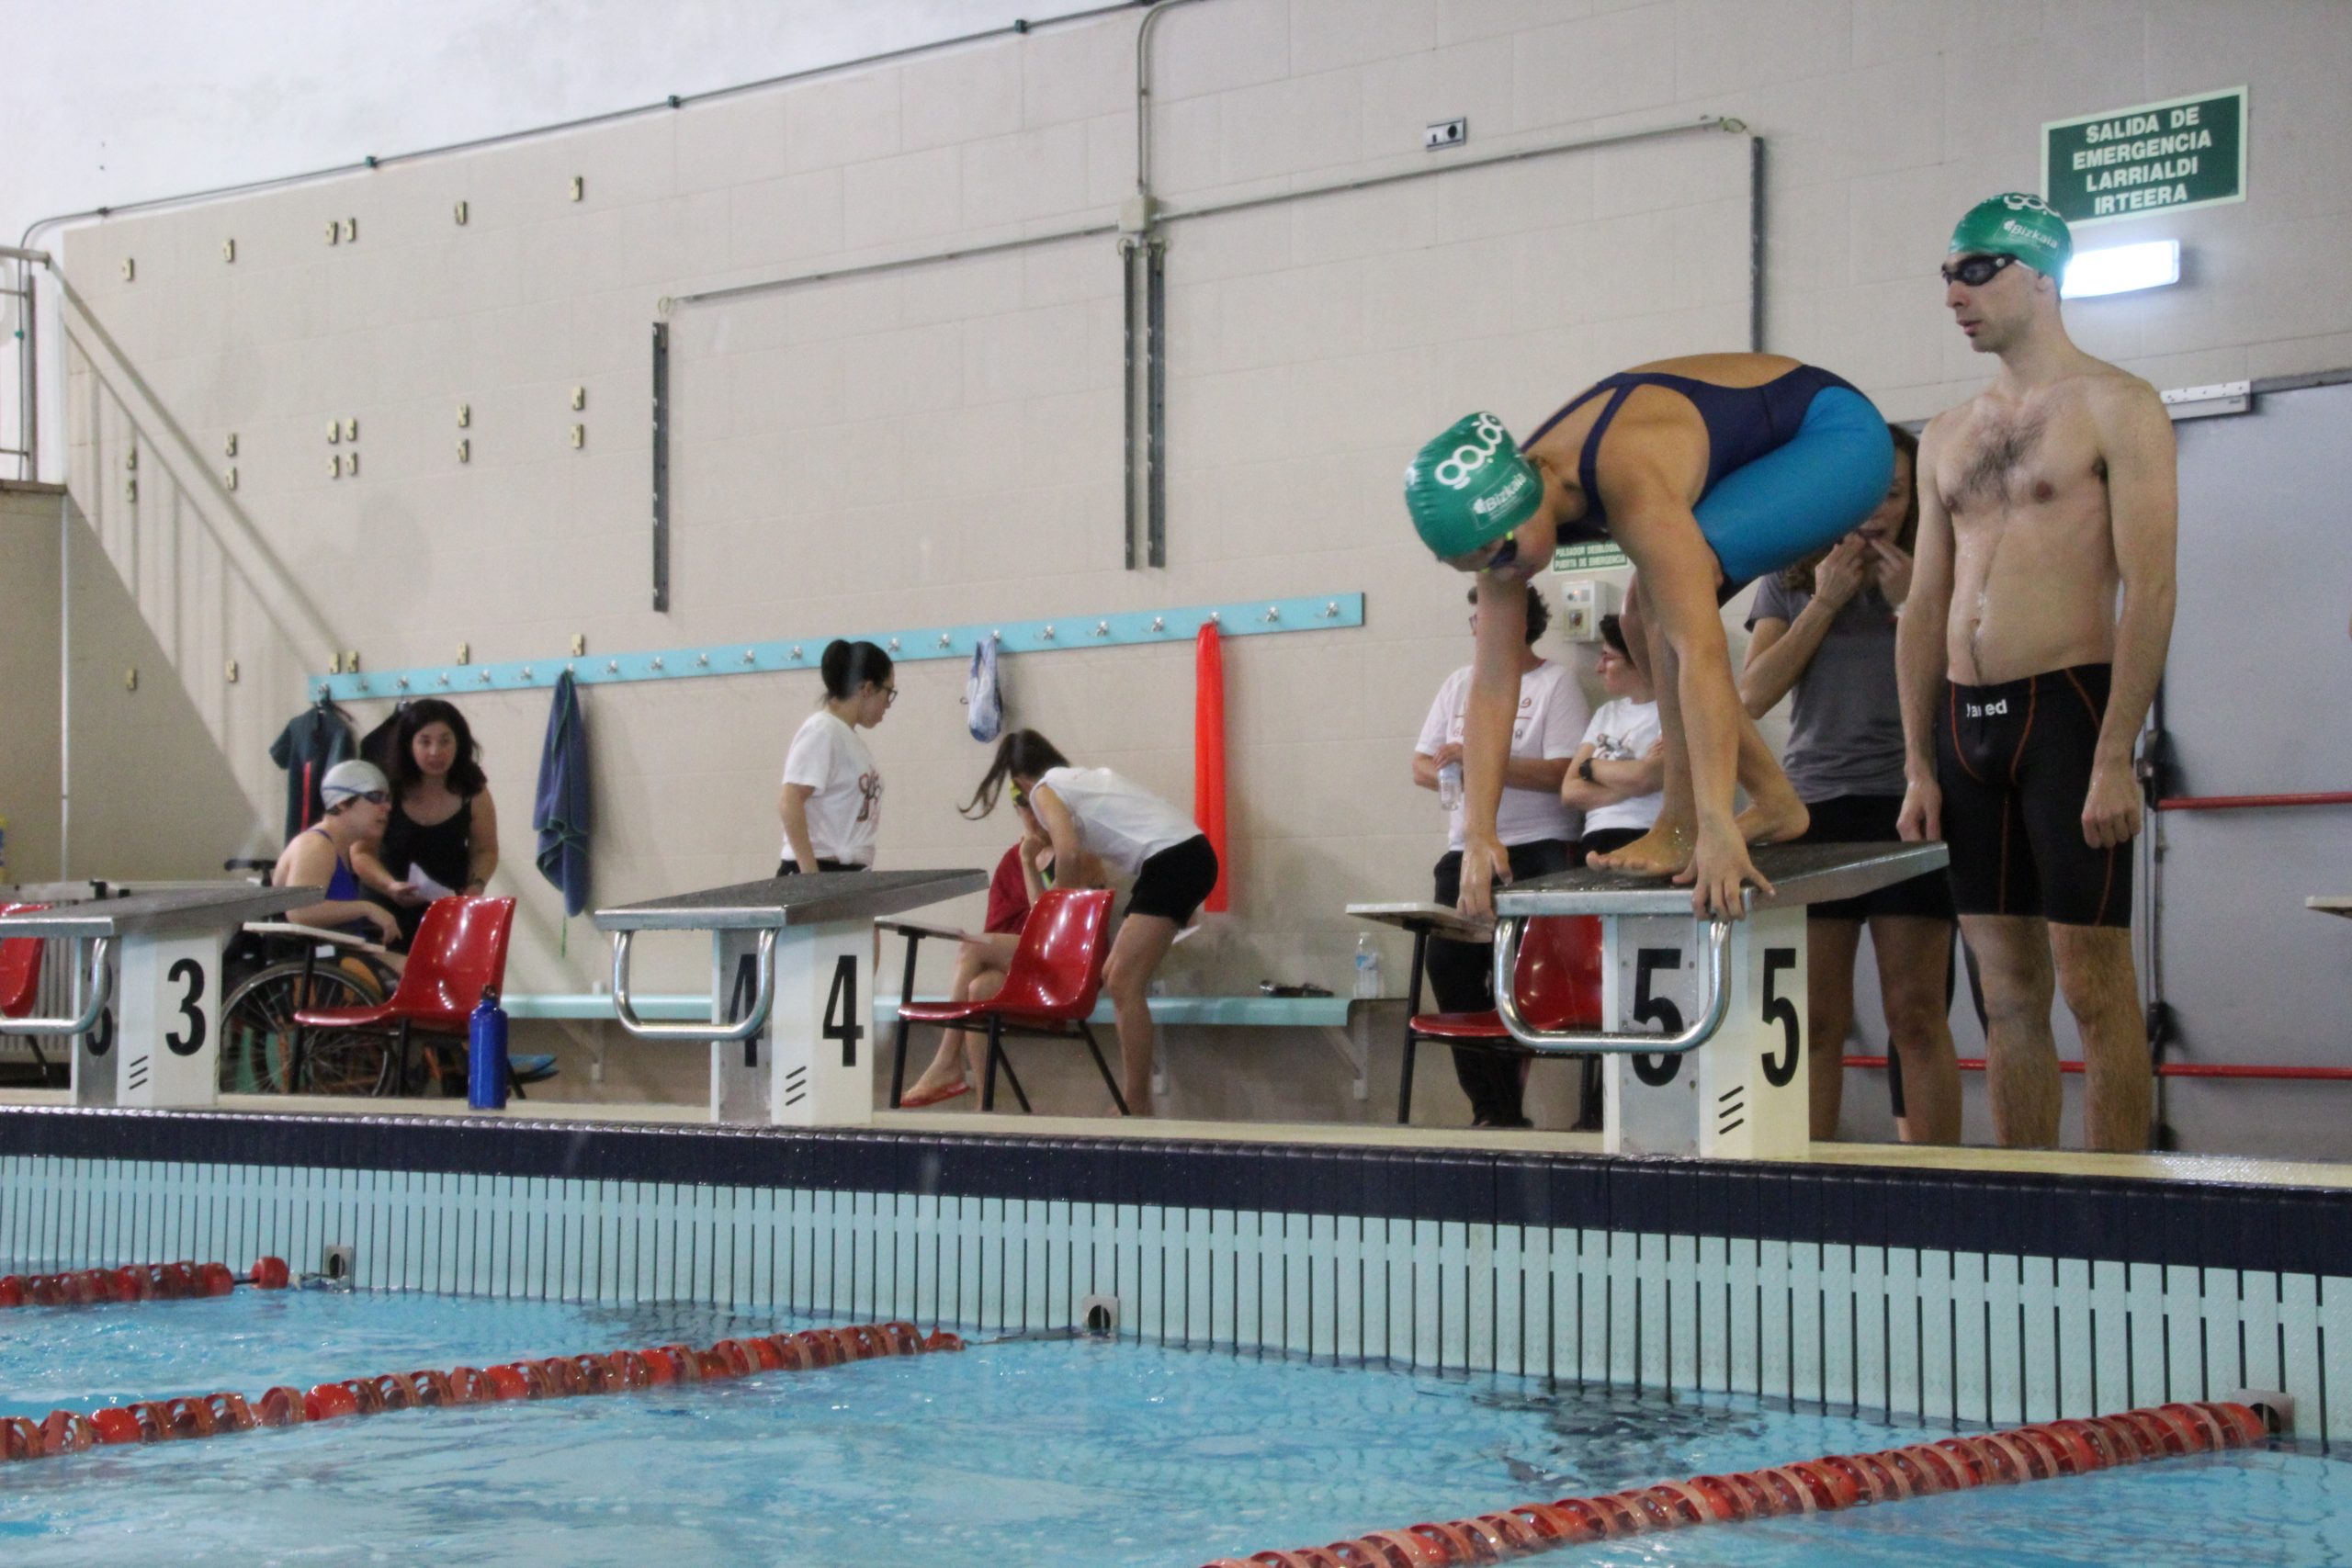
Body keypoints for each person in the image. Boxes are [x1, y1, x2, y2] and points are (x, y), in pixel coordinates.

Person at [1406, 353, 1895, 919]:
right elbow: (1493, 684)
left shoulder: (1625, 473)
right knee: (1642, 615)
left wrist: (1719, 825)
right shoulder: (1501, 528)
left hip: (1839, 438)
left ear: (1523, 500)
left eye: (1502, 553)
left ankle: (1691, 820)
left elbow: (1701, 651)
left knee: (1660, 607)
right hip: (1767, 447)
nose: (1502, 574)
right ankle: (1771, 802)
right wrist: (1479, 834)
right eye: (1479, 567)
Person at [1897, 194, 2178, 1152]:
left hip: (2068, 713)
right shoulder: (1947, 432)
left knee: (2094, 989)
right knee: (2005, 994)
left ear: (2043, 276)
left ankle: (2118, 1209)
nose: (1954, 294)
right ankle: (2030, 1208)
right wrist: (1918, 761)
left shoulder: (2119, 406)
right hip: (1962, 725)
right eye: (1946, 275)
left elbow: (2150, 588)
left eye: (1977, 271)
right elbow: (1923, 606)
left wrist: (2115, 752)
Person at [1742, 423, 1962, 1145]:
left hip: (1909, 803)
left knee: (1917, 1013)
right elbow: (1752, 694)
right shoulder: (1791, 573)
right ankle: (1812, 1179)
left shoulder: (1939, 568)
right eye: (1867, 495)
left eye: (1894, 495)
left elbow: (1970, 679)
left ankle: (1937, 1182)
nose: (1878, 513)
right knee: (1816, 1018)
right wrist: (1825, 602)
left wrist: (1913, 606)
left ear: (1914, 499)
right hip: (1816, 809)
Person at [964, 730, 1217, 1115]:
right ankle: (1137, 1100)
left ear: (1021, 782)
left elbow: (1067, 853)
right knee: (1118, 978)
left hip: (1174, 860)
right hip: (1180, 857)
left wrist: (1058, 924)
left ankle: (1137, 1103)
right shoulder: (1077, 780)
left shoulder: (1045, 789)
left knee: (1123, 982)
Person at [1411, 583, 1586, 1128]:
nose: (1476, 630)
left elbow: (1561, 773)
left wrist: (1483, 761)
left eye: (1484, 619)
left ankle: (1510, 1100)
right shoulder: (1458, 684)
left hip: (1538, 844)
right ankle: (1494, 1109)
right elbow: (1421, 764)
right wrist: (1457, 770)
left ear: (1519, 622)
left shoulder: (1555, 683)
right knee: (1447, 963)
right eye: (1473, 621)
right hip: (1467, 846)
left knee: (1522, 973)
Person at [899, 791, 1099, 1109]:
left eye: (1038, 809)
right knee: (979, 988)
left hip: (1064, 968)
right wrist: (1022, 860)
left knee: (971, 948)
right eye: (1024, 809)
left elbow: (1048, 926)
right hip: (1024, 967)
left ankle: (947, 1060)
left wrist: (1028, 863)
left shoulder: (1077, 857)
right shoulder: (1010, 860)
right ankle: (985, 1106)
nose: (1033, 817)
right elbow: (999, 928)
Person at [350, 698, 499, 944]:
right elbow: (361, 853)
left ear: (459, 743)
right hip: (386, 909)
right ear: (409, 745)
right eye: (425, 741)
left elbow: (485, 849)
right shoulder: (386, 789)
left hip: (446, 909)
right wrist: (390, 886)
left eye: (445, 741)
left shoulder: (473, 789)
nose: (435, 752)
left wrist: (476, 886)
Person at [778, 640, 894, 874]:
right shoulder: (822, 730)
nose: (888, 704)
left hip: (847, 873)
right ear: (867, 688)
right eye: (888, 692)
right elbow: (790, 801)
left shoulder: (848, 739)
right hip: (821, 870)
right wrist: (811, 877)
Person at [268, 760, 404, 956]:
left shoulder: (339, 847)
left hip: (340, 955)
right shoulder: (316, 845)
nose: (387, 807)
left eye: (387, 798)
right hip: (321, 962)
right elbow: (300, 912)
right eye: (375, 797)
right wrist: (367, 908)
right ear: (342, 802)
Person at [1560, 615, 1666, 859]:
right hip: (1596, 836)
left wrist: (1592, 768)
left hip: (1646, 831)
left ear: (1637, 658)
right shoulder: (1606, 713)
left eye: (1607, 657)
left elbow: (1647, 777)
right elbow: (1569, 792)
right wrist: (1633, 778)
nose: (1598, 668)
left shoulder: (1672, 710)